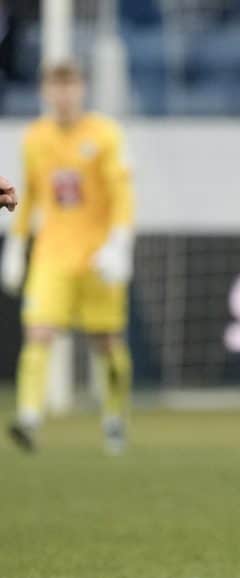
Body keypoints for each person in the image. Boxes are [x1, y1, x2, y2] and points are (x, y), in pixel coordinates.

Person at [1, 61, 135, 454]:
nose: (63, 96)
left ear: (82, 90)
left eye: (70, 86)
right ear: (45, 92)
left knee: (107, 342)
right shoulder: (35, 138)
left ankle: (114, 418)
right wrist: (15, 245)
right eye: (56, 87)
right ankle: (29, 416)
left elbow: (121, 194)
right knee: (38, 332)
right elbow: (29, 196)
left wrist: (119, 244)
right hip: (52, 253)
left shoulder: (105, 134)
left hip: (97, 255)